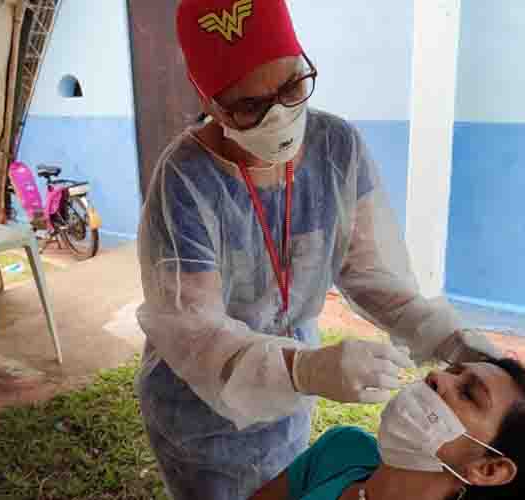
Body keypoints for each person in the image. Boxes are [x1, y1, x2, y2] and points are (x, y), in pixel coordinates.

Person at [135, 1, 500, 498]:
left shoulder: (336, 148)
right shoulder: (186, 180)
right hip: (201, 408)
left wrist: (445, 336)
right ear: (210, 100)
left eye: (291, 87)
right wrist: (304, 368)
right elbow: (193, 330)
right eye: (248, 106)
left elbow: (371, 273)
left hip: (290, 397)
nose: (280, 115)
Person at [251, 358, 525, 500]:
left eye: (468, 394)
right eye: (453, 372)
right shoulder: (341, 449)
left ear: (488, 469)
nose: (437, 377)